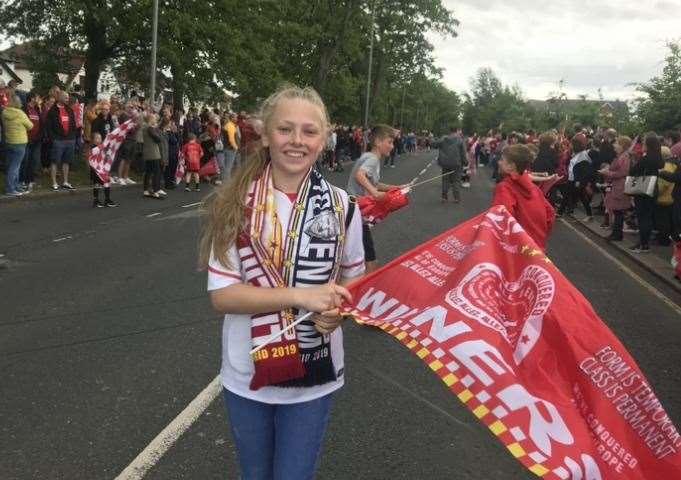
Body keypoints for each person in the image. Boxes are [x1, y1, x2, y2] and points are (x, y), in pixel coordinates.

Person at [200, 85, 364, 480]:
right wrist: (302, 296)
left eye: (309, 132)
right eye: (285, 129)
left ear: (323, 139)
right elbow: (223, 295)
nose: (297, 141)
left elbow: (354, 282)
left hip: (313, 374)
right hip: (247, 371)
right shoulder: (235, 203)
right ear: (265, 132)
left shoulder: (343, 206)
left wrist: (338, 313)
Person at [492, 144, 556, 250]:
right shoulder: (535, 189)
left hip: (516, 251)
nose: (499, 162)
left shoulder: (505, 188)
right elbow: (550, 214)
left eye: (502, 160)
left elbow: (501, 220)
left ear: (511, 166)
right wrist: (540, 237)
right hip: (536, 249)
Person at [629, 132, 665, 253]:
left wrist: (634, 160)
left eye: (644, 143)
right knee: (648, 217)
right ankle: (644, 243)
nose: (642, 145)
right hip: (653, 188)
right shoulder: (658, 158)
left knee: (642, 217)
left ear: (648, 145)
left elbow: (633, 171)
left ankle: (643, 245)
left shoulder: (646, 158)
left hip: (642, 189)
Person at [599, 136, 632, 242]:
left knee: (619, 211)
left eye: (617, 143)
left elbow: (622, 173)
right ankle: (616, 233)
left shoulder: (625, 157)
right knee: (617, 211)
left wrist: (607, 172)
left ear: (622, 145)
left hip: (620, 186)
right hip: (617, 185)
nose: (614, 145)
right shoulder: (621, 156)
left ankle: (617, 234)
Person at [2, 95, 33, 196]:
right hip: (20, 142)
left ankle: (15, 186)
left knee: (12, 165)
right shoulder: (20, 113)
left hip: (9, 141)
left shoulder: (4, 112)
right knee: (15, 167)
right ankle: (11, 189)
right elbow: (30, 125)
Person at [46, 91, 77, 190]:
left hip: (70, 139)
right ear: (59, 98)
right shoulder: (52, 110)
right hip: (58, 140)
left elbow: (73, 124)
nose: (68, 99)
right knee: (55, 161)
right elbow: (49, 126)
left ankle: (65, 182)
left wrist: (73, 136)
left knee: (66, 161)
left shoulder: (69, 110)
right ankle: (54, 182)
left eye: (68, 98)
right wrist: (53, 138)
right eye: (66, 97)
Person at [433, 127, 466, 203]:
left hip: (445, 163)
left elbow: (434, 145)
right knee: (456, 181)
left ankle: (444, 197)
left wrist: (432, 138)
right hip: (456, 164)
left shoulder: (444, 138)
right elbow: (463, 153)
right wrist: (465, 162)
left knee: (445, 180)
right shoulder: (460, 140)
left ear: (450, 131)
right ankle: (456, 198)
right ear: (456, 131)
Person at [19, 91, 42, 192]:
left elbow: (41, 124)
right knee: (25, 161)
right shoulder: (24, 108)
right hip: (26, 140)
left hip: (36, 140)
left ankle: (31, 180)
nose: (39, 99)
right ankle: (22, 180)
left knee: (34, 161)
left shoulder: (37, 109)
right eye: (38, 97)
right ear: (32, 98)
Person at [89, 133, 118, 208]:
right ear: (93, 140)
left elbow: (103, 157)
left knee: (97, 184)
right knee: (105, 183)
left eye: (100, 138)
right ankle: (106, 200)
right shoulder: (94, 148)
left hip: (100, 170)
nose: (99, 140)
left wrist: (107, 157)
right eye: (97, 138)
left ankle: (97, 200)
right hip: (96, 171)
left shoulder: (100, 148)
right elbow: (103, 146)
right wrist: (108, 138)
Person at [142, 113, 164, 199]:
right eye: (154, 118)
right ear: (151, 119)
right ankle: (155, 191)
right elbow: (157, 139)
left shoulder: (144, 128)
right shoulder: (150, 128)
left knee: (148, 172)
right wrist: (158, 133)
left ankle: (146, 190)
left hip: (147, 153)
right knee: (156, 172)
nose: (155, 120)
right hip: (154, 153)